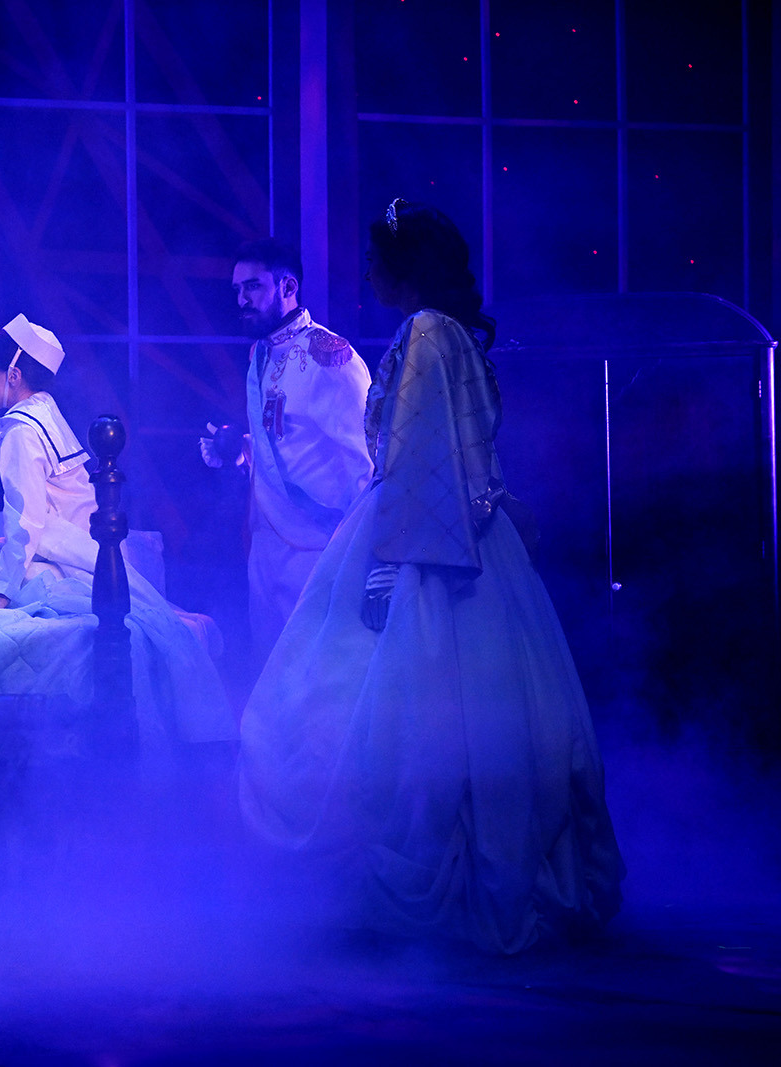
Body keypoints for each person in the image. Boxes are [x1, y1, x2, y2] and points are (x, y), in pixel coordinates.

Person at [238, 200, 624, 953]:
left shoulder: (423, 332)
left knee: (368, 714)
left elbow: (420, 455)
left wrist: (387, 565)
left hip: (423, 540)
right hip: (467, 535)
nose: (367, 273)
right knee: (476, 713)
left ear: (403, 267)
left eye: (375, 261)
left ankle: (428, 883)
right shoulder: (450, 333)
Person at [0, 314, 235, 745]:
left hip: (63, 549)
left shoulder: (22, 431)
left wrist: (2, 590)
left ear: (13, 375)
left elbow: (27, 518)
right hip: (76, 544)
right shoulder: (42, 411)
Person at [202, 239, 373, 686]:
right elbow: (283, 443)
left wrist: (368, 556)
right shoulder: (259, 353)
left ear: (288, 287)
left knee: (317, 680)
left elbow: (366, 462)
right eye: (237, 290)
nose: (242, 300)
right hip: (265, 545)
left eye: (253, 287)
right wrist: (239, 446)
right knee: (270, 677)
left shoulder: (331, 357)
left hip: (318, 549)